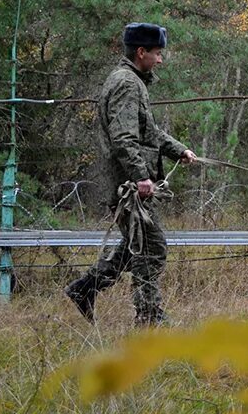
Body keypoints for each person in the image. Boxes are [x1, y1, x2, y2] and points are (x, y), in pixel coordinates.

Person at [64, 23, 196, 325]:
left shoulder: (132, 82)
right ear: (141, 52)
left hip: (129, 182)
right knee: (152, 247)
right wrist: (141, 176)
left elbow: (149, 132)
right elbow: (123, 137)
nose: (160, 60)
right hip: (128, 186)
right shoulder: (126, 83)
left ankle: (85, 289)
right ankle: (149, 317)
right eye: (157, 53)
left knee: (134, 244)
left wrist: (180, 150)